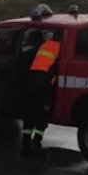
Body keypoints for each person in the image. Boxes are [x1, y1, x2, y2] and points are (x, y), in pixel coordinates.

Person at [21, 30, 61, 158]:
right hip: (44, 84)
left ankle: (26, 144)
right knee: (42, 115)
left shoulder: (45, 45)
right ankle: (36, 144)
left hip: (31, 82)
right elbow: (55, 71)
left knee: (29, 114)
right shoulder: (61, 49)